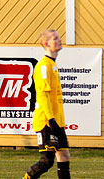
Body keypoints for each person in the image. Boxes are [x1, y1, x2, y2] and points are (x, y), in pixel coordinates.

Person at [24, 29, 70, 179]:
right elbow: (43, 95)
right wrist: (51, 120)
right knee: (46, 162)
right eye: (55, 38)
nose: (59, 40)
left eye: (58, 37)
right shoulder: (44, 65)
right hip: (46, 121)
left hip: (56, 121)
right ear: (46, 43)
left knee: (63, 155)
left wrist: (58, 121)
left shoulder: (52, 65)